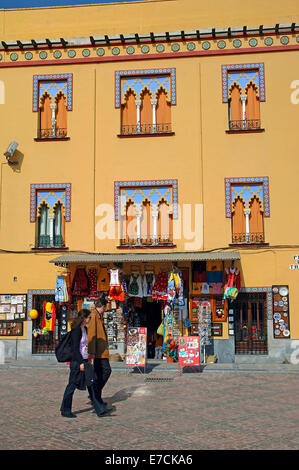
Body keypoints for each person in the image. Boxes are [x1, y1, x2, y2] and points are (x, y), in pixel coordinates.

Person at [60, 309, 108, 418]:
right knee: (72, 386)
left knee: (92, 384)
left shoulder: (85, 329)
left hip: (85, 360)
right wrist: (81, 362)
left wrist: (89, 355)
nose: (90, 319)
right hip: (77, 362)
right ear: (84, 318)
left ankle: (100, 409)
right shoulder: (76, 331)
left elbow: (83, 347)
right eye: (89, 317)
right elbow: (75, 349)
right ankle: (65, 410)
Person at [87, 297, 111, 406]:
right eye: (105, 307)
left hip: (101, 351)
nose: (105, 309)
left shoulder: (98, 316)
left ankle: (96, 398)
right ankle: (95, 393)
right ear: (103, 306)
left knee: (99, 374)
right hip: (98, 352)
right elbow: (91, 335)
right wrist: (91, 352)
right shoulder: (94, 316)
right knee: (106, 371)